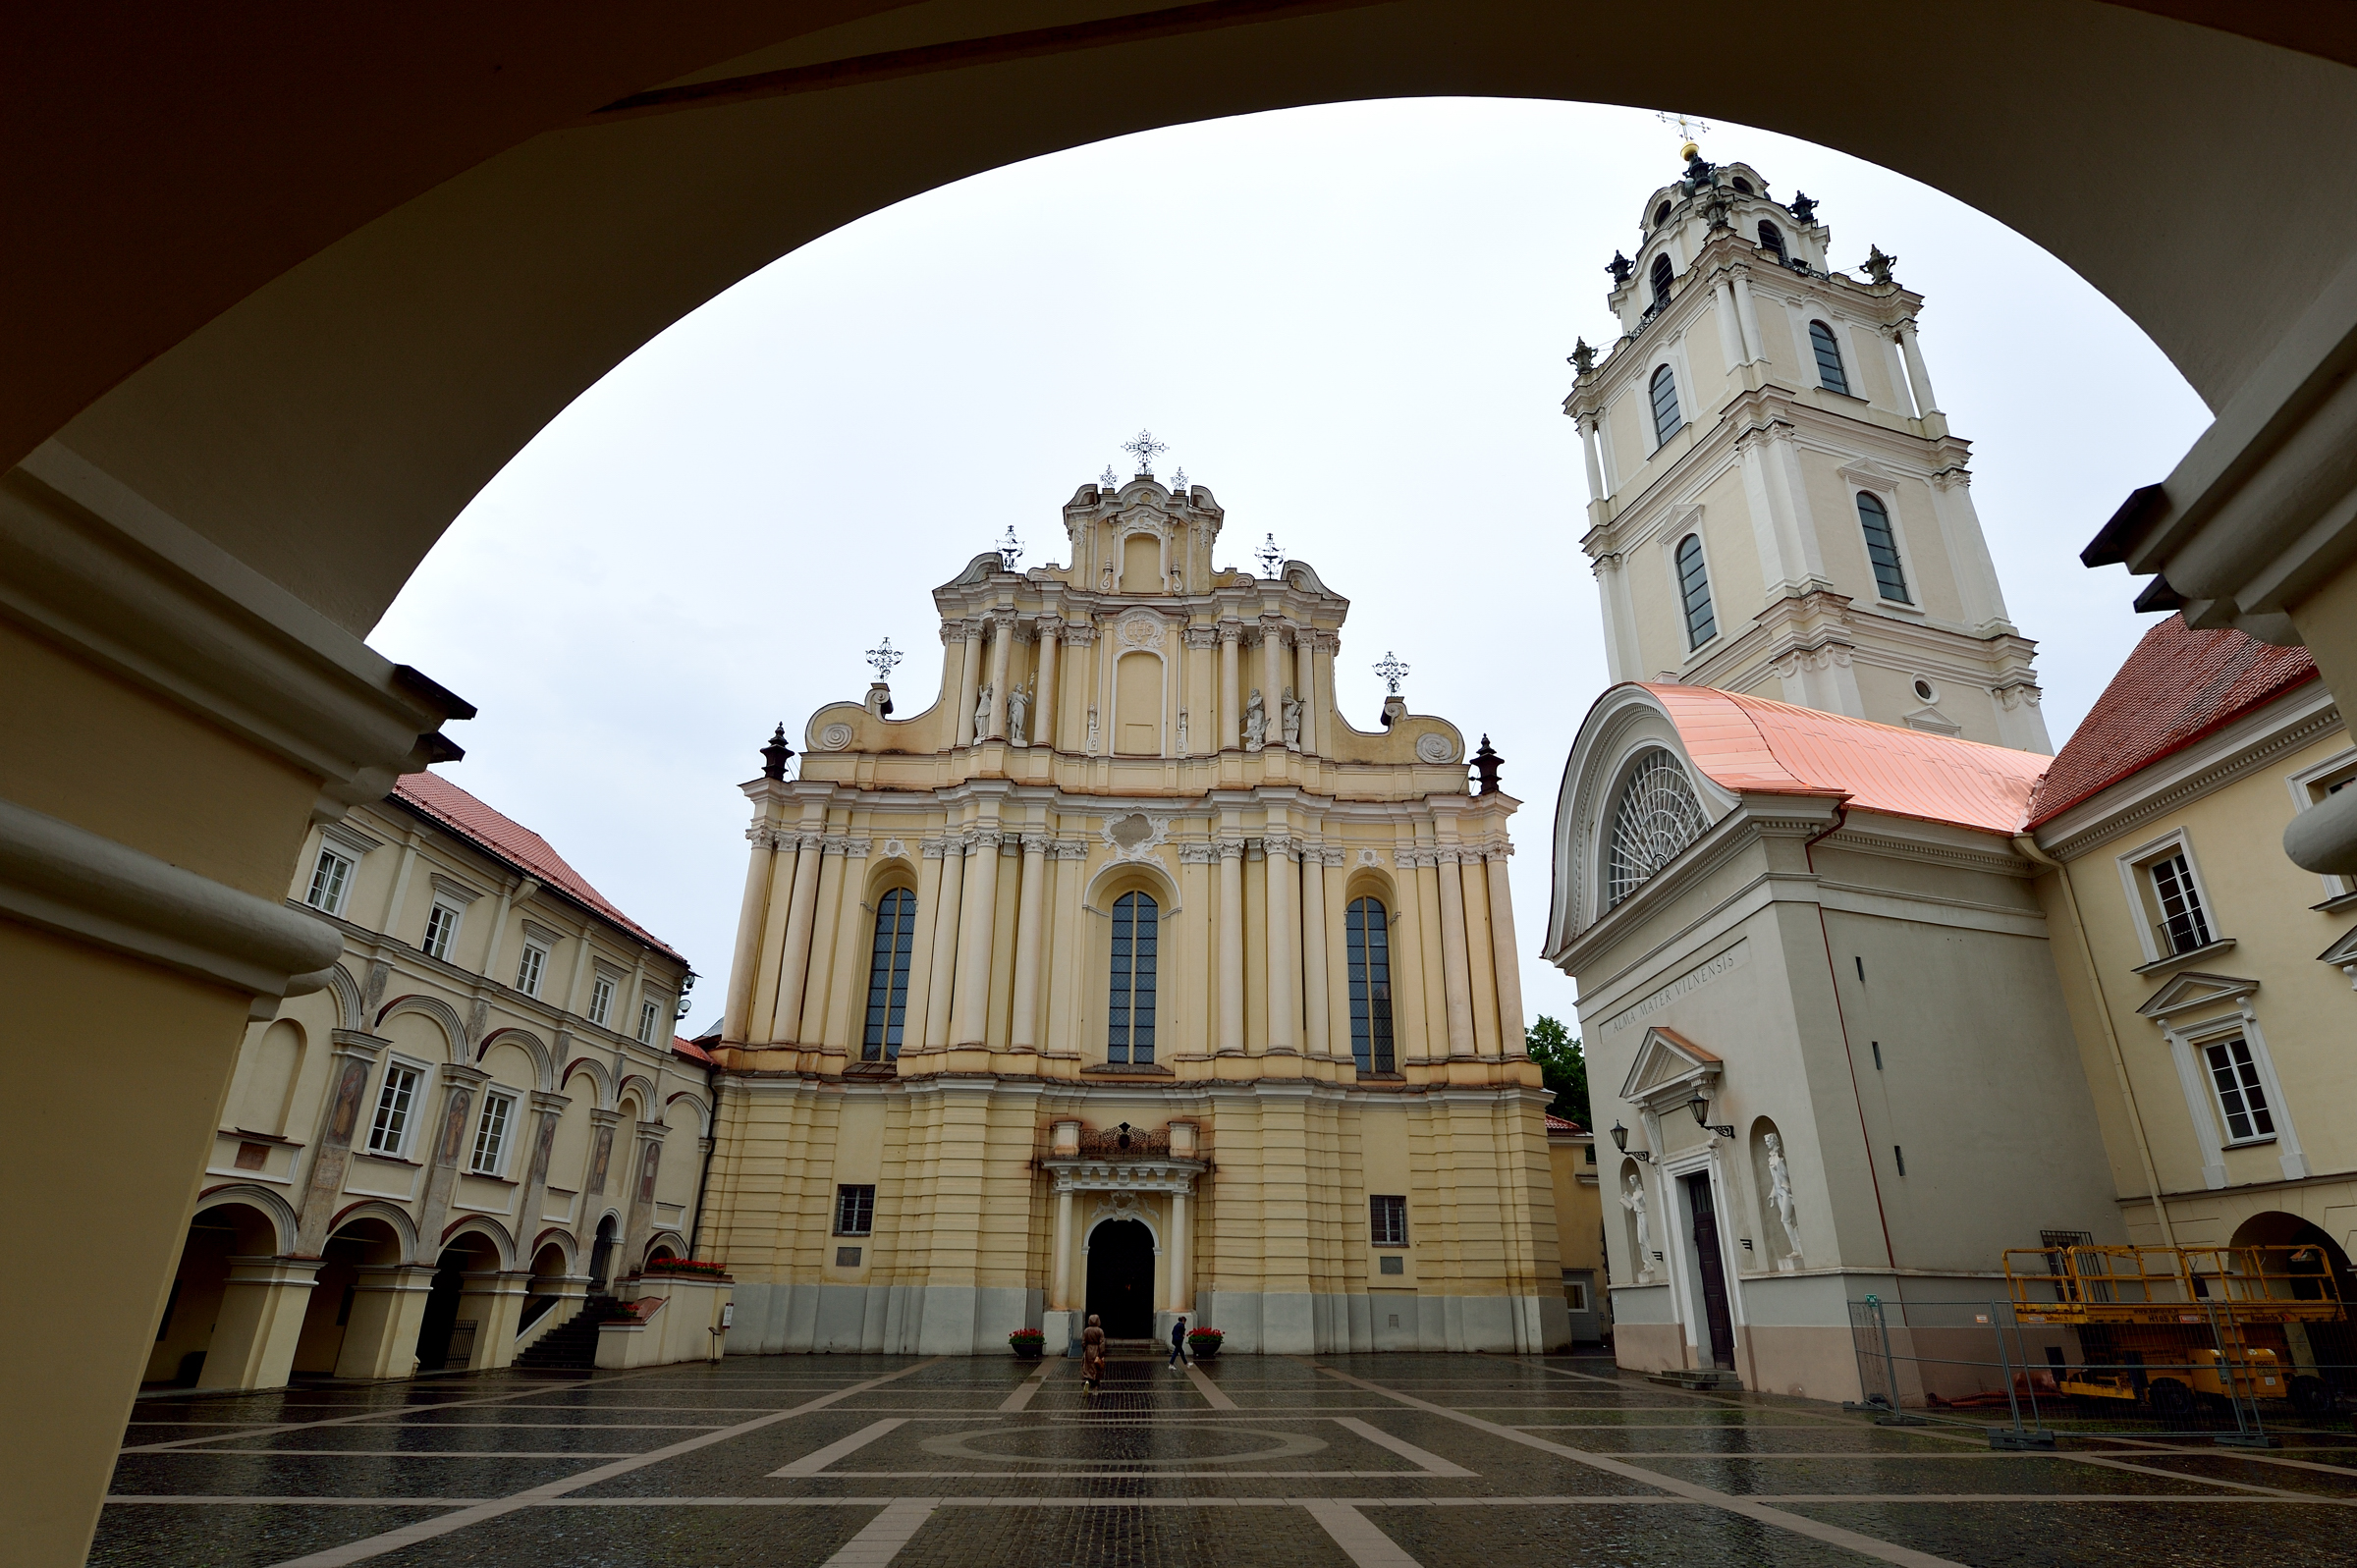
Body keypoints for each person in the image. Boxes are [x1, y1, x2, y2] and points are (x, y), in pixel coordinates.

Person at [1080, 1313, 1106, 1395]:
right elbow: (1102, 1343)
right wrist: (1101, 1354)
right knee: (1097, 1367)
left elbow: (1083, 1342)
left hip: (1088, 1350)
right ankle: (1095, 1385)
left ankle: (1087, 1380)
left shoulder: (1086, 1330)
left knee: (1087, 1366)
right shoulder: (1100, 1331)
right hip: (1096, 1350)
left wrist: (1085, 1350)